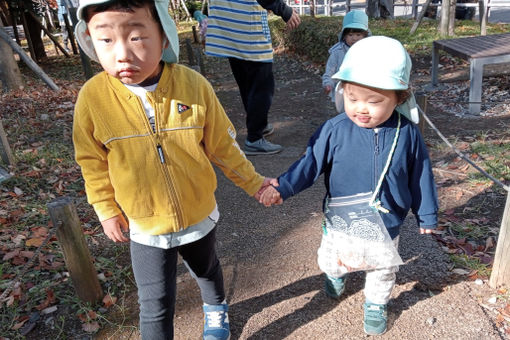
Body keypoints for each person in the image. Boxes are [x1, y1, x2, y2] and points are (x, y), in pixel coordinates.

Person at [72, 1, 273, 339]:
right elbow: (91, 160)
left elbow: (224, 147)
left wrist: (255, 183)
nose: (121, 53)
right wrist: (105, 208)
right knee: (154, 301)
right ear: (91, 41)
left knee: (207, 270)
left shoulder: (193, 87)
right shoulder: (93, 98)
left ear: (164, 37)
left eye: (136, 37)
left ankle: (216, 307)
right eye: (105, 40)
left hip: (197, 212)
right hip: (144, 223)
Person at [260, 36, 439, 336]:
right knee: (332, 258)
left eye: (374, 101)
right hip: (342, 219)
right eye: (352, 98)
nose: (361, 109)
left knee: (383, 268)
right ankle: (335, 274)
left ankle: (376, 303)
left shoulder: (407, 133)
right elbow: (309, 164)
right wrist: (284, 187)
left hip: (387, 221)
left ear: (399, 97)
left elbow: (420, 173)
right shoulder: (334, 130)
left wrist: (427, 213)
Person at [205, 0, 301, 155]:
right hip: (247, 30)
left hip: (229, 28)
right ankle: (255, 138)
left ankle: (258, 125)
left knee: (247, 83)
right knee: (262, 86)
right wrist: (284, 10)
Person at [322, 10, 369, 113]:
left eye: (358, 35)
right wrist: (328, 83)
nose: (354, 38)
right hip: (343, 92)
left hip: (364, 91)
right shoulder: (338, 52)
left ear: (365, 35)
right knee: (346, 114)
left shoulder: (369, 50)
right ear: (344, 35)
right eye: (351, 35)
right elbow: (330, 70)